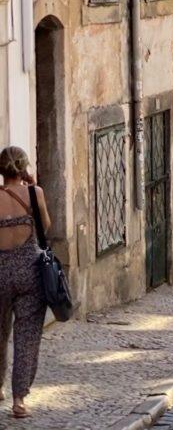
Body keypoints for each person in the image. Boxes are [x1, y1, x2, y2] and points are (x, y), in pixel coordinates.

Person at [0, 147, 50, 418]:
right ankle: (19, 400)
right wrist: (31, 188)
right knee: (26, 336)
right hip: (29, 271)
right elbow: (46, 227)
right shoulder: (35, 193)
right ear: (23, 168)